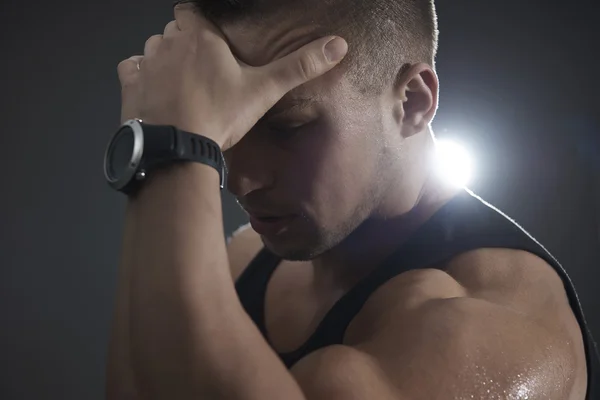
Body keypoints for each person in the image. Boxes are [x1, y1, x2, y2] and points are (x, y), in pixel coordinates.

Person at [106, 1, 599, 399]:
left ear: (412, 103)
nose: (239, 181)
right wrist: (163, 141)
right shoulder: (243, 260)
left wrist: (173, 148)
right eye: (224, 127)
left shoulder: (492, 334)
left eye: (287, 127)